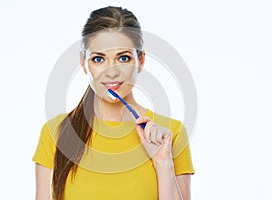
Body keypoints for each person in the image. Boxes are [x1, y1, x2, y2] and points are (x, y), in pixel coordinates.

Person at [33, 6, 194, 200]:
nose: (111, 72)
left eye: (123, 58)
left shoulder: (170, 134)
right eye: (99, 59)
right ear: (84, 63)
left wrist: (163, 162)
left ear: (141, 61)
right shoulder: (56, 132)